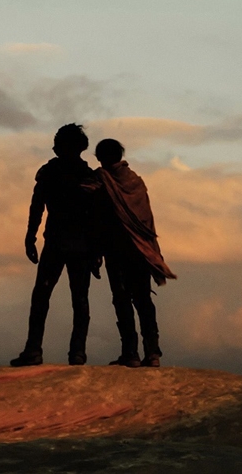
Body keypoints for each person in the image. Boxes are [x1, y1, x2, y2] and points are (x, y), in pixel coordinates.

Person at [10, 124, 99, 367]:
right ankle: (76, 353)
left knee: (44, 296)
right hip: (77, 245)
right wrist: (96, 251)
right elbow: (96, 217)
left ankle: (35, 349)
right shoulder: (88, 177)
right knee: (78, 299)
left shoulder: (51, 173)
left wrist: (31, 236)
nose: (54, 147)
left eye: (58, 143)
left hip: (59, 243)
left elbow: (37, 206)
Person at [84, 138, 176, 368]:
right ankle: (152, 353)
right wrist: (154, 251)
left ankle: (131, 353)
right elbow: (147, 220)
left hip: (116, 249)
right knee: (143, 300)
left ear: (100, 157)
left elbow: (95, 218)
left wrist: (95, 252)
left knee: (122, 300)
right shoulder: (136, 181)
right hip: (141, 250)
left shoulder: (100, 180)